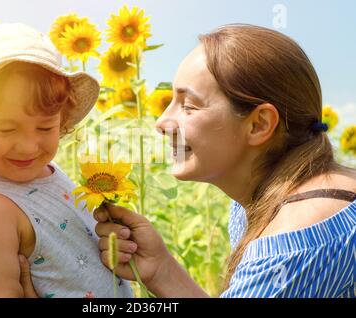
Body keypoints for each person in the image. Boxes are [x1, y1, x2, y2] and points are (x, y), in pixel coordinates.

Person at [20, 24, 356, 298]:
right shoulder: (267, 200)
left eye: (190, 106)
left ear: (259, 124)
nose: (161, 123)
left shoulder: (292, 246)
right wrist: (161, 269)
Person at [0, 23, 133, 298]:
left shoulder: (50, 171)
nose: (27, 147)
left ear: (62, 120)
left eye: (45, 128)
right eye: (6, 129)